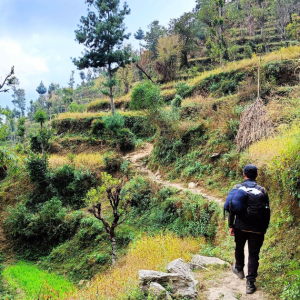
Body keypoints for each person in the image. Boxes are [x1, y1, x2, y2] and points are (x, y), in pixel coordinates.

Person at [224, 164, 270, 294]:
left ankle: (239, 269)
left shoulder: (238, 188)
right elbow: (267, 211)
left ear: (244, 175)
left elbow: (232, 208)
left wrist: (231, 225)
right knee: (254, 255)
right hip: (257, 228)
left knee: (239, 247)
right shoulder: (263, 190)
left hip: (240, 226)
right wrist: (264, 227)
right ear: (256, 175)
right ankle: (250, 284)